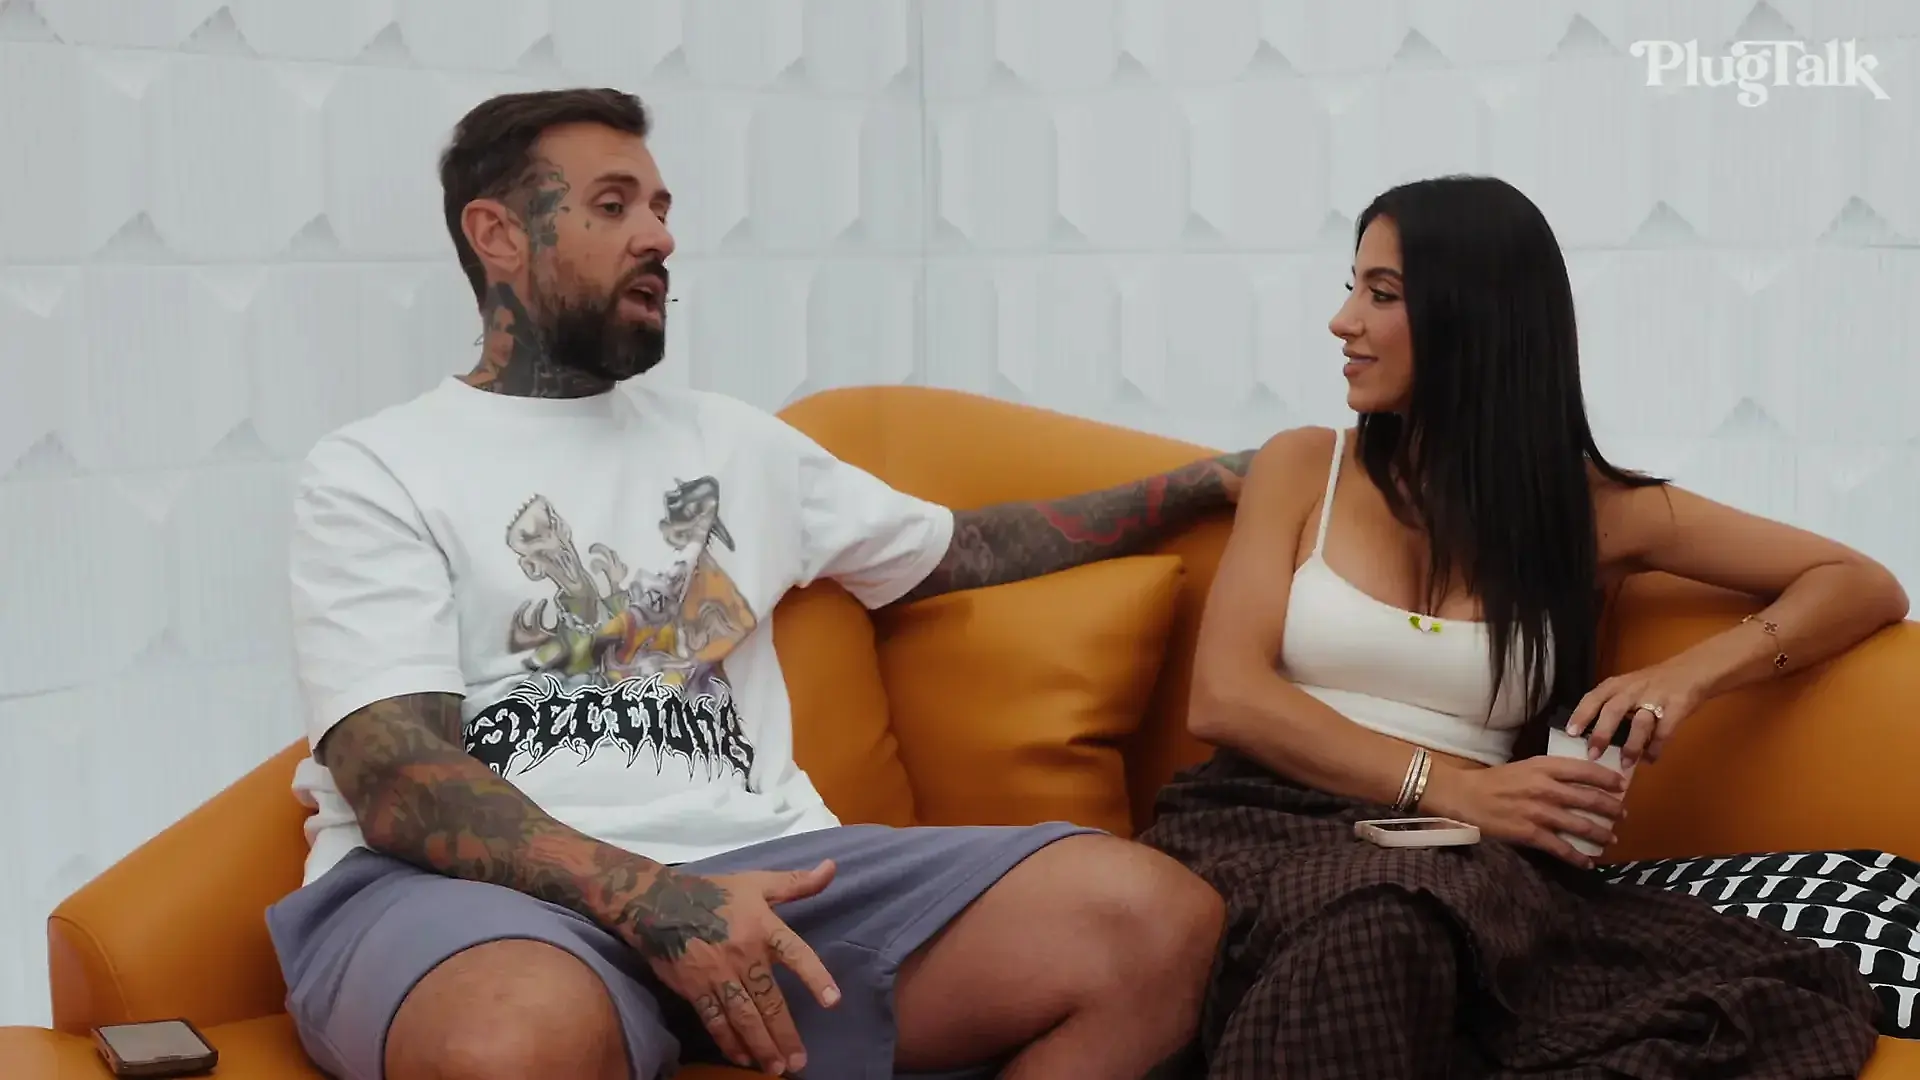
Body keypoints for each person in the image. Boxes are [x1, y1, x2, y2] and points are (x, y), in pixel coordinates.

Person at [267, 87, 1242, 1080]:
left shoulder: (734, 444)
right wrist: (650, 899)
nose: (659, 238)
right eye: (613, 205)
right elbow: (397, 777)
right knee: (516, 1042)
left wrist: (1199, 485)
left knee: (1155, 925)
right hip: (475, 901)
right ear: (498, 234)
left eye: (661, 209)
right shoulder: (379, 469)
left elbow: (962, 550)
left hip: (757, 876)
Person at [1137, 175, 1906, 1079]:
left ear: (1476, 319)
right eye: (1353, 288)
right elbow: (1225, 697)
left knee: (1781, 995)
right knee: (1378, 919)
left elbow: (1859, 583)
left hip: (1465, 864)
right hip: (1264, 817)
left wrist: (1685, 676)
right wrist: (1452, 789)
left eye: (1381, 294)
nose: (1343, 322)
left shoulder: (1595, 514)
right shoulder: (1307, 465)